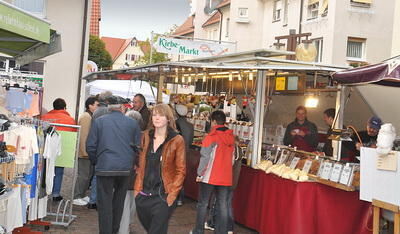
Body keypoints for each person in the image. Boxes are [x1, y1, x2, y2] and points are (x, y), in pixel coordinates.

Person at [86, 96, 141, 234]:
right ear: (122, 107)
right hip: (124, 168)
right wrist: (132, 162)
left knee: (104, 204)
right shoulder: (132, 123)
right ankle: (114, 230)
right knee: (118, 203)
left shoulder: (99, 122)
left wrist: (97, 161)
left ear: (108, 108)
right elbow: (137, 147)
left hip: (105, 167)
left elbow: (91, 146)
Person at [134, 104, 186, 234]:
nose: (157, 118)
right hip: (143, 195)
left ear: (168, 118)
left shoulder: (177, 140)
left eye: (161, 115)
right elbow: (139, 164)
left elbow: (181, 170)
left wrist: (172, 194)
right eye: (155, 114)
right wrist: (137, 191)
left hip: (163, 196)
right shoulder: (145, 136)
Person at [191, 110, 235, 234]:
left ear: (213, 122)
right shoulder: (231, 138)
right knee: (223, 205)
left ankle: (198, 231)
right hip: (225, 176)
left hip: (209, 176)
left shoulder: (210, 137)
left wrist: (200, 173)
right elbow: (232, 159)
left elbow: (205, 157)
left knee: (203, 204)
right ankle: (222, 231)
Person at [41, 98, 76, 201]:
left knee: (45, 171)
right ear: (64, 108)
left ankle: (43, 193)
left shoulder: (44, 117)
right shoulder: (70, 120)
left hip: (46, 150)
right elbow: (73, 135)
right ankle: (55, 194)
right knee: (58, 171)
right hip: (62, 150)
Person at [118, 110, 143, 234]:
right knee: (132, 201)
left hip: (127, 173)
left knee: (125, 202)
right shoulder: (143, 135)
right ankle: (126, 225)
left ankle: (123, 229)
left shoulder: (125, 135)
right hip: (136, 175)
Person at [73, 96, 99, 206]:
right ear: (90, 105)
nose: (98, 107)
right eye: (96, 105)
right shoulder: (86, 117)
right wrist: (84, 152)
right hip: (84, 153)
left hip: (87, 152)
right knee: (83, 175)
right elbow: (84, 136)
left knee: (87, 175)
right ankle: (77, 196)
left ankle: (81, 195)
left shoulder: (89, 116)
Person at [174, 104, 194, 206]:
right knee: (181, 175)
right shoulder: (191, 126)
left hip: (175, 153)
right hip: (186, 153)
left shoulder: (174, 124)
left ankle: (175, 197)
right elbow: (190, 142)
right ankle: (180, 198)